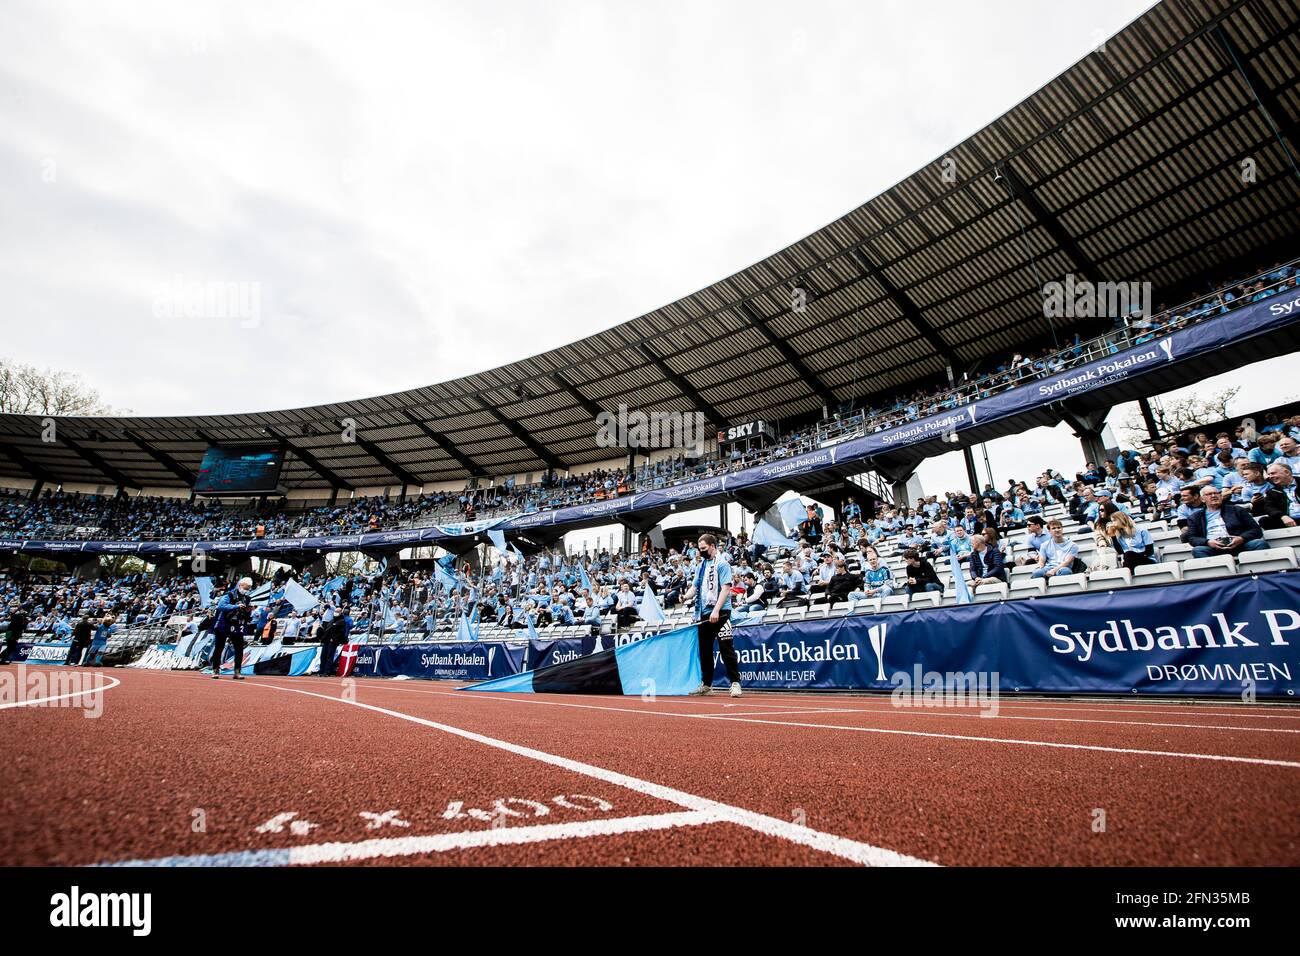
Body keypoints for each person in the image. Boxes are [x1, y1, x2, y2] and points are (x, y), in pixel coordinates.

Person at [683, 533, 741, 698]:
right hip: (703, 614)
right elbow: (695, 588)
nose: (701, 552)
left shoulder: (722, 564)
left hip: (721, 613)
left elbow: (726, 588)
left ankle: (735, 683)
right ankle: (707, 685)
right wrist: (685, 596)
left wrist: (716, 610)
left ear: (713, 546)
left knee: (726, 648)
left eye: (703, 549)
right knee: (705, 651)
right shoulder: (700, 566)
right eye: (700, 549)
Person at [1185, 486, 1271, 559]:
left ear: (1221, 496)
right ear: (1202, 499)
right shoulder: (1195, 517)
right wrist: (1208, 542)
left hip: (1240, 544)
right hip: (1213, 548)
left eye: (1216, 493)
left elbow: (1256, 530)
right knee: (1198, 550)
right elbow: (1192, 538)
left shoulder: (1237, 510)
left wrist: (1241, 538)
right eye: (1209, 494)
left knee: (1259, 543)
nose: (1214, 496)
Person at [210, 578, 253, 680]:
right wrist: (236, 606)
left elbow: (247, 612)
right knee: (219, 647)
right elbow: (221, 606)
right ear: (240, 585)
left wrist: (248, 610)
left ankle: (237, 671)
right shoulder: (229, 595)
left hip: (237, 625)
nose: (246, 590)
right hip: (223, 623)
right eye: (245, 587)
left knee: (239, 648)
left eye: (248, 588)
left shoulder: (247, 598)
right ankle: (215, 670)